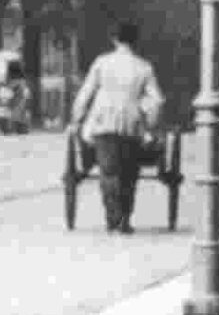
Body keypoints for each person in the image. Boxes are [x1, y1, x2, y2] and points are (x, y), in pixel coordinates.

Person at [68, 22, 164, 234]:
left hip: (103, 123)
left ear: (114, 40)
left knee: (109, 172)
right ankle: (126, 218)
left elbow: (86, 93)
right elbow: (157, 100)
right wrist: (149, 121)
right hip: (131, 124)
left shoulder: (102, 63)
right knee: (129, 173)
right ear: (135, 41)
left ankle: (113, 216)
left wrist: (76, 119)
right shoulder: (144, 67)